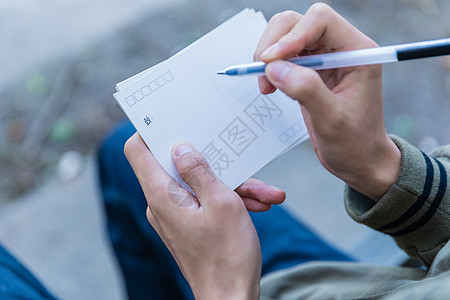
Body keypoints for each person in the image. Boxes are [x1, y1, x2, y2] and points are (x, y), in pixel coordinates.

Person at [117, 3, 450, 300]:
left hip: (262, 286)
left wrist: (222, 288)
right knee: (124, 154)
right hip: (345, 282)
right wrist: (379, 165)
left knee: (124, 163)